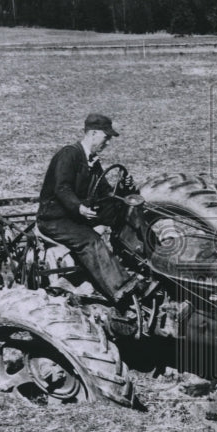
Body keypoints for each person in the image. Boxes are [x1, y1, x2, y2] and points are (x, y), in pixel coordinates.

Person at [36, 113, 140, 305]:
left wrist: (124, 190)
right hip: (54, 219)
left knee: (123, 213)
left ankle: (137, 260)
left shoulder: (93, 161)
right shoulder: (69, 154)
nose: (108, 142)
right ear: (93, 133)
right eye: (106, 137)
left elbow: (106, 193)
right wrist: (79, 207)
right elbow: (62, 187)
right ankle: (122, 289)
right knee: (89, 240)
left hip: (75, 217)